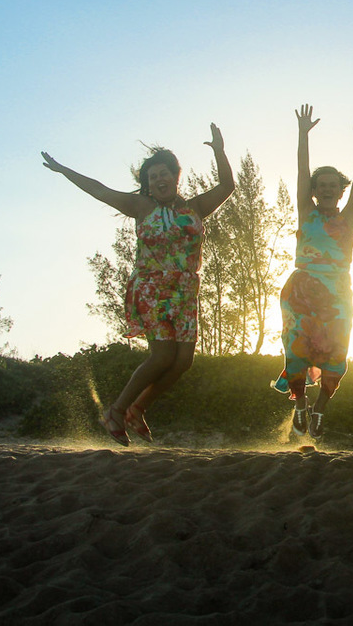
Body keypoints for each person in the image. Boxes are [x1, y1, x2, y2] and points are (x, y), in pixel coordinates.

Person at [41, 126, 234, 446]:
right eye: (152, 177)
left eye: (164, 174)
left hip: (185, 293)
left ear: (175, 176)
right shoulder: (141, 207)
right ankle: (116, 412)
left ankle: (137, 410)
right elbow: (100, 190)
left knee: (183, 362)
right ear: (147, 184)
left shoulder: (196, 208)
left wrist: (218, 151)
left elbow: (227, 186)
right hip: (151, 289)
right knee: (162, 356)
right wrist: (64, 171)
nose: (158, 180)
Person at [272, 104, 353, 441]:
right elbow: (302, 171)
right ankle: (300, 405)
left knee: (337, 354)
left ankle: (319, 409)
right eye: (321, 185)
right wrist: (303, 135)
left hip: (338, 290)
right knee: (296, 349)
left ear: (341, 190)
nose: (327, 189)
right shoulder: (306, 212)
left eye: (334, 185)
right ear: (314, 191)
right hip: (301, 288)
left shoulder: (348, 216)